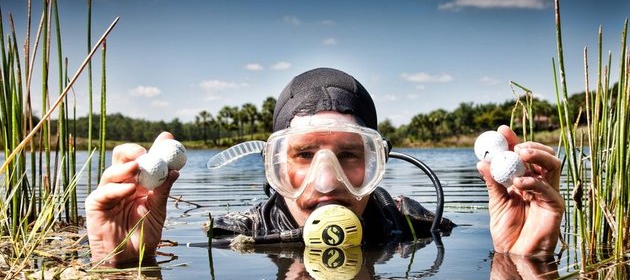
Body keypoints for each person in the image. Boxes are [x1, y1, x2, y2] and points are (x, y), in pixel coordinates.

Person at [86, 67, 564, 271]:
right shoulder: (230, 235)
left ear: (378, 162)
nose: (327, 181)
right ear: (274, 163)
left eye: (349, 155)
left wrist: (522, 262)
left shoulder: (419, 229)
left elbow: (521, 262)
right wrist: (123, 265)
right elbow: (124, 264)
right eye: (303, 154)